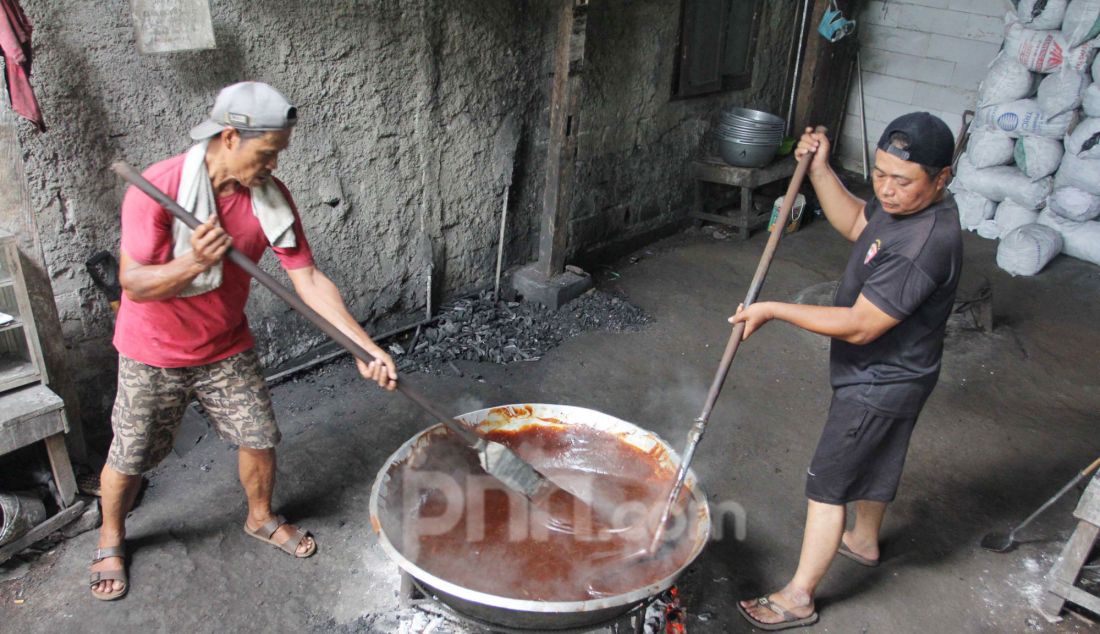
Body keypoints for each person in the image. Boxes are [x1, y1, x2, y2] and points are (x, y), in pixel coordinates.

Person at [89, 82, 398, 601]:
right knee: (131, 453)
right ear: (230, 137)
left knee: (259, 435)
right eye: (268, 151)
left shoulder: (269, 201)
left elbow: (309, 280)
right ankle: (110, 536)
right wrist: (194, 262)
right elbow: (135, 282)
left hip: (225, 344)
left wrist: (363, 346)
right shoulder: (156, 188)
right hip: (153, 351)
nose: (274, 165)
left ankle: (259, 518)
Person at [732, 112, 963, 629]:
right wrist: (820, 169)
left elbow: (860, 326)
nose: (885, 189)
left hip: (880, 381)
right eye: (879, 173)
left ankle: (798, 598)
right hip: (902, 373)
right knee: (877, 456)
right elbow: (859, 224)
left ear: (942, 178)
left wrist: (774, 309)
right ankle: (863, 540)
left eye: (901, 180)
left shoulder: (925, 244)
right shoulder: (899, 208)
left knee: (828, 484)